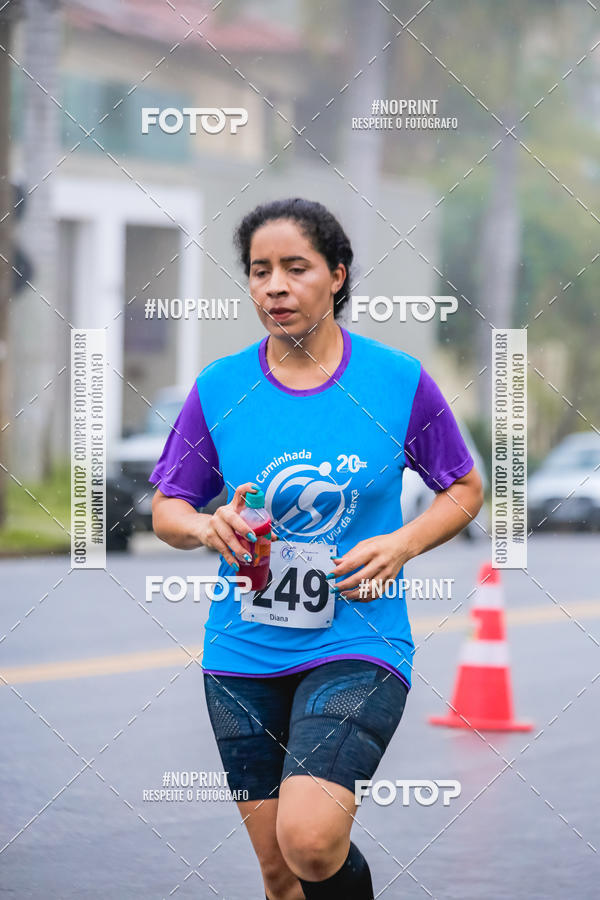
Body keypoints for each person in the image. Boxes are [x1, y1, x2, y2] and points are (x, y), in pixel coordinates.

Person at [150, 198, 484, 900]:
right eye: (259, 270)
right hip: (241, 651)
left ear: (336, 275)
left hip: (359, 642)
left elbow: (463, 488)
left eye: (295, 268)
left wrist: (402, 543)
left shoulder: (395, 382)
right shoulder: (220, 387)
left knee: (309, 838)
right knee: (280, 871)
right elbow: (166, 508)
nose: (275, 285)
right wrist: (206, 527)